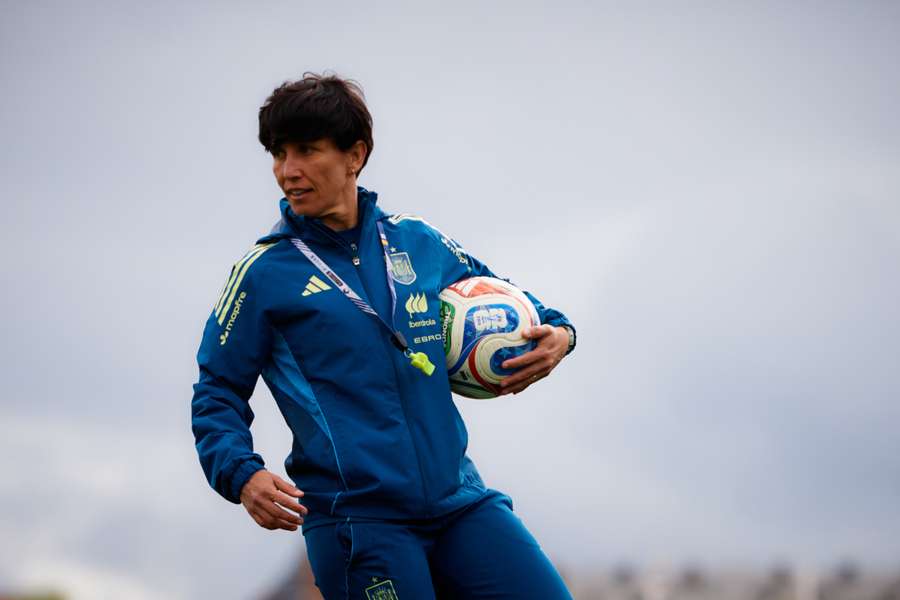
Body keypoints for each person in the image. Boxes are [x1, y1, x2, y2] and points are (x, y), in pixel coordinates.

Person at [191, 73, 577, 599]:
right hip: (359, 524)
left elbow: (513, 299)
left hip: (460, 504)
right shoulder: (263, 274)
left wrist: (559, 333)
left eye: (306, 150)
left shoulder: (417, 242)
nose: (288, 171)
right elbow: (216, 390)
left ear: (356, 155)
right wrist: (241, 473)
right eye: (279, 154)